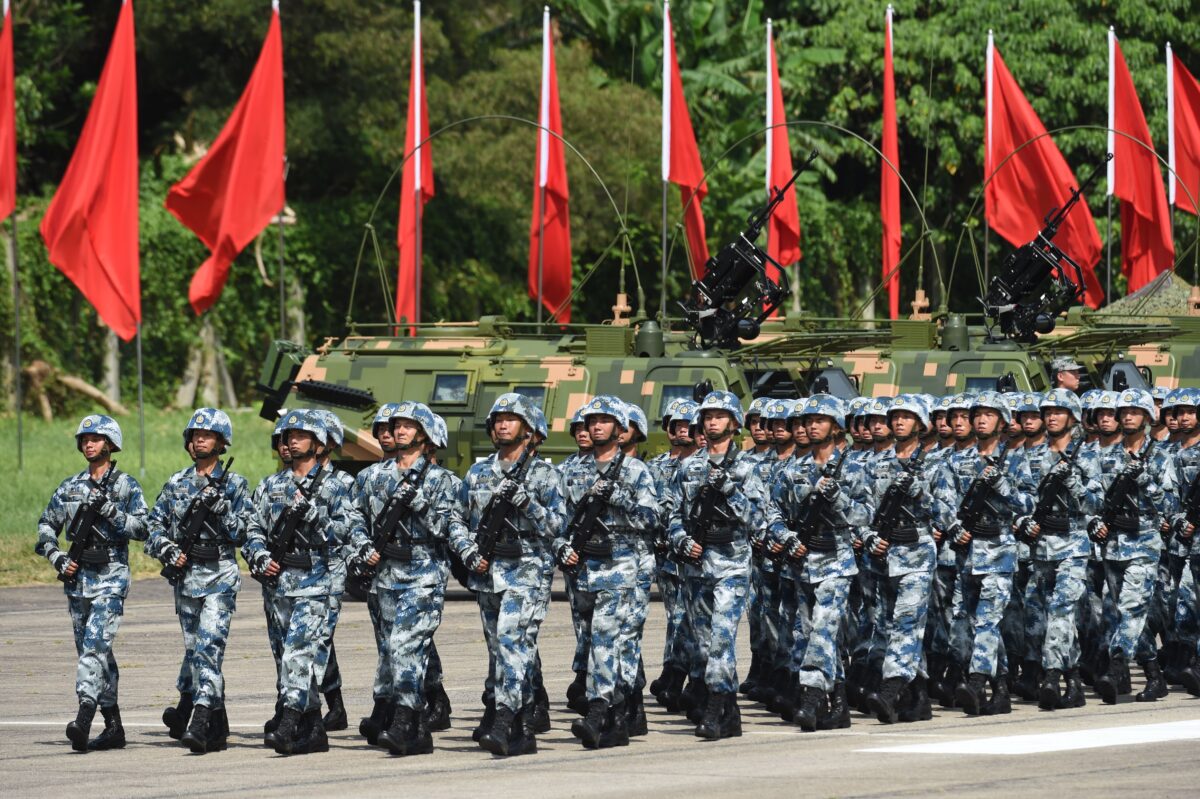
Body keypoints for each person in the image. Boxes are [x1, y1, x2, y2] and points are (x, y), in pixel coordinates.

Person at [449, 393, 564, 757]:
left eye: (511, 419)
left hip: (527, 572)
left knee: (512, 643)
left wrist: (526, 503)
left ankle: (504, 720)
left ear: (529, 430)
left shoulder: (546, 474)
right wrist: (468, 552)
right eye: (497, 418)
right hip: (488, 573)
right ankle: (522, 725)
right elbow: (457, 519)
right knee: (501, 650)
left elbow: (559, 525)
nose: (501, 424)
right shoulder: (478, 473)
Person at [243, 410, 365, 755]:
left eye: (299, 434)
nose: (291, 440)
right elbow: (253, 530)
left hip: (318, 581)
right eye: (287, 435)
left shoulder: (339, 485)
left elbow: (350, 532)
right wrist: (259, 556)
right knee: (286, 657)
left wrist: (317, 517)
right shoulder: (271, 485)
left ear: (318, 442)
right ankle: (313, 729)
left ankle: (289, 722)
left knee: (299, 653)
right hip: (279, 583)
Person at [36, 414, 148, 752]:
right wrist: (57, 557)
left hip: (111, 576)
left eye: (96, 439)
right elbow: (45, 527)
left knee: (94, 647)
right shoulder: (70, 486)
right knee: (96, 654)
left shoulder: (126, 486)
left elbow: (143, 529)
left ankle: (84, 716)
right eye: (84, 439)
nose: (89, 443)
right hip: (77, 578)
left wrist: (111, 511)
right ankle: (114, 725)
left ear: (111, 444)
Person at [351, 401, 457, 756]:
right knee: (389, 653)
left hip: (424, 574)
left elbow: (449, 529)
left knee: (405, 647)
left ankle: (408, 720)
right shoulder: (373, 477)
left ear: (424, 434)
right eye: (396, 425)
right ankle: (403, 720)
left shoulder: (443, 481)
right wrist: (363, 548)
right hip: (384, 577)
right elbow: (352, 520)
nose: (399, 431)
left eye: (408, 426)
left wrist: (420, 502)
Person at [145, 408, 249, 753]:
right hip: (186, 579)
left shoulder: (234, 485)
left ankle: (201, 721)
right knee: (195, 651)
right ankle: (218, 724)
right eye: (195, 434)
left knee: (208, 647)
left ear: (221, 442)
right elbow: (152, 527)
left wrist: (223, 510)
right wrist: (167, 550)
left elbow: (245, 533)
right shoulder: (176, 483)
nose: (199, 439)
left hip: (219, 575)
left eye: (206, 435)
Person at [668, 390, 770, 739]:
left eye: (719, 415)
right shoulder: (689, 467)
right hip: (696, 564)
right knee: (702, 641)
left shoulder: (747, 467)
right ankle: (728, 708)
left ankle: (716, 706)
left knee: (722, 639)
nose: (712, 421)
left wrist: (730, 490)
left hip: (732, 562)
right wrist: (681, 540)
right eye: (707, 415)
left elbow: (759, 518)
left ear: (733, 422)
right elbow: (673, 515)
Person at [558, 396, 658, 748]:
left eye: (604, 421)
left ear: (619, 430)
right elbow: (559, 519)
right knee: (598, 643)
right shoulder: (572, 471)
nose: (595, 426)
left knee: (606, 639)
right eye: (591, 421)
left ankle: (599, 710)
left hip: (622, 568)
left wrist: (618, 497)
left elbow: (650, 519)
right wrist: (562, 546)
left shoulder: (635, 472)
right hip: (584, 570)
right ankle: (618, 716)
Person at [770, 394, 872, 731]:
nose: (811, 426)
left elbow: (867, 515)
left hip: (837, 561)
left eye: (820, 420)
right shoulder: (793, 469)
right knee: (812, 633)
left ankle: (811, 698)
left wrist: (838, 496)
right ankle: (838, 702)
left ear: (836, 426)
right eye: (807, 421)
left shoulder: (854, 467)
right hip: (803, 562)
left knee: (824, 630)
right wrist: (787, 538)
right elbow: (773, 513)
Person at [934, 391, 1034, 716]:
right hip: (966, 554)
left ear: (1002, 422)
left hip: (999, 552)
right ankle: (1002, 688)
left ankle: (975, 683)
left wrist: (1002, 484)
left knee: (988, 622)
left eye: (989, 415)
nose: (980, 419)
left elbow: (1030, 504)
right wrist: (953, 528)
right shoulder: (955, 460)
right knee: (971, 624)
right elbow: (942, 502)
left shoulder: (1016, 459)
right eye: (977, 414)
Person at [1089, 388, 1178, 704]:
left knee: (1132, 607)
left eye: (1134, 411)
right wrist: (1094, 521)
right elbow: (1092, 498)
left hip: (1144, 544)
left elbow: (1170, 503)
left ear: (1147, 418)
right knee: (1127, 614)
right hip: (1112, 545)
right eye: (1123, 411)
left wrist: (1146, 480)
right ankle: (1155, 677)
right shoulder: (1106, 456)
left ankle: (1116, 667)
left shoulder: (1160, 457)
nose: (1126, 416)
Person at [863, 394, 947, 724]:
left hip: (917, 552)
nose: (898, 422)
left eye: (906, 417)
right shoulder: (875, 464)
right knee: (890, 625)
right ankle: (918, 697)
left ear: (920, 424)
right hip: (883, 555)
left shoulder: (935, 464)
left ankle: (890, 688)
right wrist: (870, 537)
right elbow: (861, 510)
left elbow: (946, 512)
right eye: (895, 416)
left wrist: (919, 492)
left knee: (906, 622)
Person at [1015, 389, 1099, 709]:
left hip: (1074, 544)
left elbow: (1095, 503)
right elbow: (1020, 500)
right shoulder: (1031, 455)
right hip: (1041, 549)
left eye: (1058, 411)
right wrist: (1025, 522)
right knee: (1038, 618)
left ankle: (1051, 675)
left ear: (1072, 416)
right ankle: (1074, 680)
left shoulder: (1088, 455)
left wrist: (1073, 480)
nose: (1050, 416)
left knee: (1061, 612)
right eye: (1047, 411)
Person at [647, 400, 698, 707]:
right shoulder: (655, 467)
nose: (681, 429)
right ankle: (674, 671)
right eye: (675, 424)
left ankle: (683, 675)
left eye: (687, 424)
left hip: (699, 555)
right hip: (667, 556)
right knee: (675, 617)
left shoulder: (705, 465)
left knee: (691, 619)